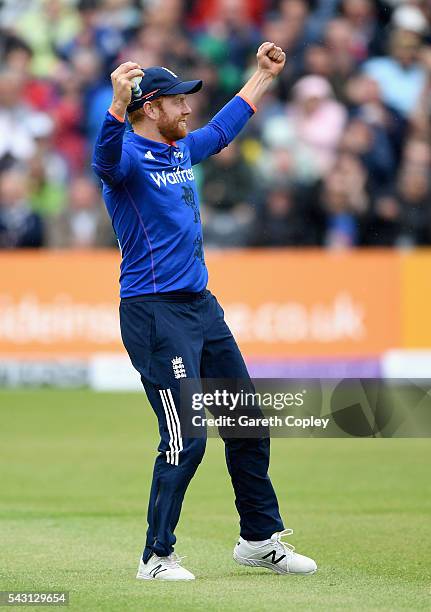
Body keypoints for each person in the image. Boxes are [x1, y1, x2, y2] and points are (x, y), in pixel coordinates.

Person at [92, 42, 317, 581]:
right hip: (153, 313)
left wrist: (262, 76)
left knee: (245, 421)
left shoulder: (178, 149)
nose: (188, 109)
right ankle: (155, 556)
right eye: (178, 102)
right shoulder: (125, 157)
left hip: (200, 308)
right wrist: (114, 106)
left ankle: (259, 539)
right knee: (186, 437)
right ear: (151, 107)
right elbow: (101, 159)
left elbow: (221, 130)